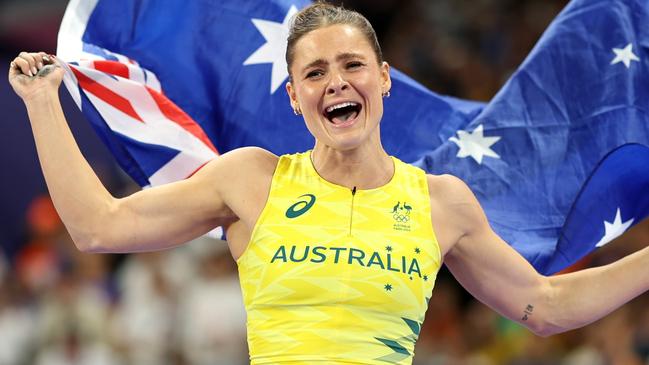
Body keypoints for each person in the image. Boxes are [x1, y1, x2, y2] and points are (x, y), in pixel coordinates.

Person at [8, 2, 649, 364]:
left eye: (352, 64)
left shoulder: (441, 202)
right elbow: (97, 227)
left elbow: (546, 306)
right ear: (293, 97)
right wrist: (42, 105)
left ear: (385, 79)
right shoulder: (249, 180)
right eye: (314, 72)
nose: (336, 81)